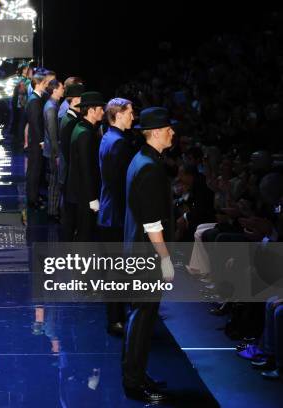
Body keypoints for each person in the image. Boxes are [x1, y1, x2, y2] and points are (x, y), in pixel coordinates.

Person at [123, 107, 176, 403]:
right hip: (145, 256)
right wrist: (165, 259)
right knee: (142, 318)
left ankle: (137, 376)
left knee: (140, 318)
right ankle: (133, 381)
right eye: (168, 128)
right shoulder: (149, 167)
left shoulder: (140, 160)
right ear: (155, 131)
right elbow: (152, 222)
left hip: (137, 251)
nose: (172, 132)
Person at [98, 98, 135, 336]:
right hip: (116, 214)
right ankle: (116, 320)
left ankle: (116, 318)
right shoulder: (119, 143)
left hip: (108, 210)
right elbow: (119, 184)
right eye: (130, 112)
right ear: (118, 115)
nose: (133, 116)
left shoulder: (107, 137)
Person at [62, 91, 105, 242]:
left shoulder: (80, 127)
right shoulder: (86, 133)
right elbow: (86, 168)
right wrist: (92, 197)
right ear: (92, 110)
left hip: (78, 191)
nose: (103, 111)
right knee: (84, 232)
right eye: (100, 108)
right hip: (84, 194)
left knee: (81, 231)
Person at [42, 80, 64, 219]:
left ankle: (53, 210)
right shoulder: (51, 107)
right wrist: (56, 154)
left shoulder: (52, 105)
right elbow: (52, 132)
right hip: (52, 151)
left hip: (51, 150)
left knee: (54, 182)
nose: (63, 90)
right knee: (54, 182)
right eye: (61, 88)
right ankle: (53, 211)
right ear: (55, 90)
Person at [25, 72, 47, 209]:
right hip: (35, 143)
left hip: (35, 141)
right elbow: (35, 122)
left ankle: (34, 197)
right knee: (34, 170)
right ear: (38, 84)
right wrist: (41, 140)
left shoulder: (35, 99)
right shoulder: (34, 100)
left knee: (35, 170)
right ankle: (32, 200)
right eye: (44, 83)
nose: (46, 86)